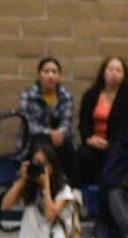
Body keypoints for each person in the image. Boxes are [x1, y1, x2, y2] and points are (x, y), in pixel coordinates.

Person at [19, 57, 80, 185]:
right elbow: (29, 125)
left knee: (68, 145)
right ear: (39, 75)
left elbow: (66, 123)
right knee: (41, 146)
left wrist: (58, 133)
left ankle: (74, 189)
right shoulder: (28, 95)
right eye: (46, 72)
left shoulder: (66, 96)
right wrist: (50, 133)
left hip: (59, 139)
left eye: (54, 72)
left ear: (59, 76)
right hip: (34, 139)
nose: (50, 76)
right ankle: (38, 188)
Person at [78, 57, 127, 187]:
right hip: (93, 142)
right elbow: (84, 122)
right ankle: (80, 194)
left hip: (117, 144)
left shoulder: (125, 98)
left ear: (124, 75)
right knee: (83, 154)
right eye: (111, 69)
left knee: (114, 156)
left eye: (118, 70)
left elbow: (124, 127)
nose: (114, 73)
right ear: (103, 72)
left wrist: (109, 142)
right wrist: (89, 138)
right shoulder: (91, 95)